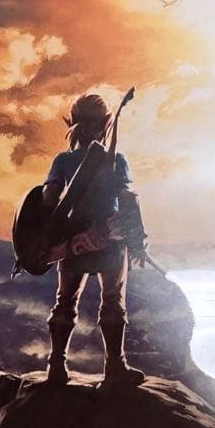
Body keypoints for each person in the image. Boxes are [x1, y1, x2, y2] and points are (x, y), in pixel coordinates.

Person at [42, 93, 145, 389]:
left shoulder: (63, 160)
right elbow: (127, 199)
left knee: (65, 301)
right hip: (108, 240)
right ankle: (115, 367)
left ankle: (57, 366)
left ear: (73, 124)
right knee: (112, 301)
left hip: (74, 241)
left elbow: (48, 198)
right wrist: (136, 239)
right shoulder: (116, 160)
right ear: (105, 124)